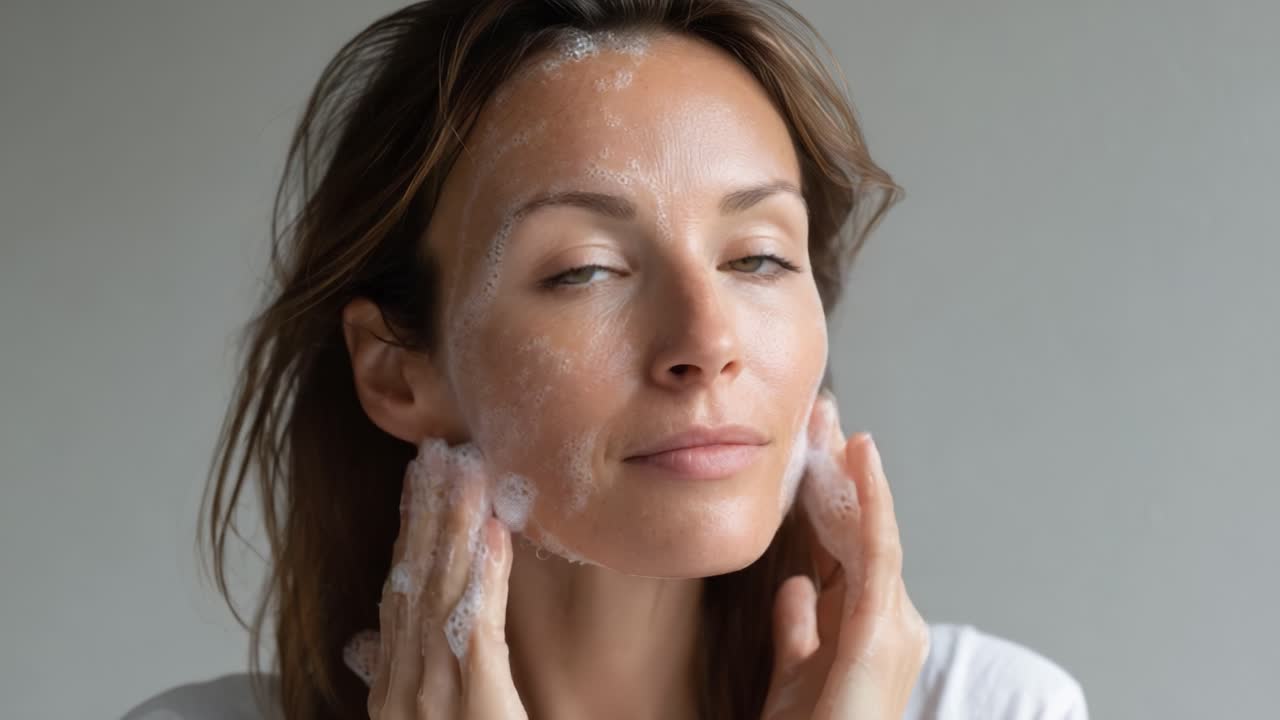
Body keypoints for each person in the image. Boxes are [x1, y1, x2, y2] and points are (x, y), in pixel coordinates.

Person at [124, 1, 1088, 718]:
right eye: (586, 270)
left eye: (757, 256)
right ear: (395, 371)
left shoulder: (993, 707)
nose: (708, 344)